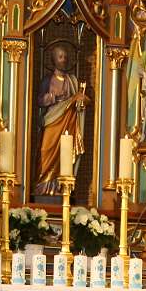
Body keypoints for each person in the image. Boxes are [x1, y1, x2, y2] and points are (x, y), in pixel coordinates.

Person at [33, 45, 87, 196]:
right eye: (60, 57)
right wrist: (52, 97)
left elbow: (77, 105)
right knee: (44, 151)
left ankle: (60, 187)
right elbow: (39, 101)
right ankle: (42, 186)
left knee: (64, 155)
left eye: (65, 57)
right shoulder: (47, 80)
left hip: (68, 125)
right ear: (54, 60)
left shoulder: (72, 81)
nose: (63, 60)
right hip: (51, 122)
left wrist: (80, 100)